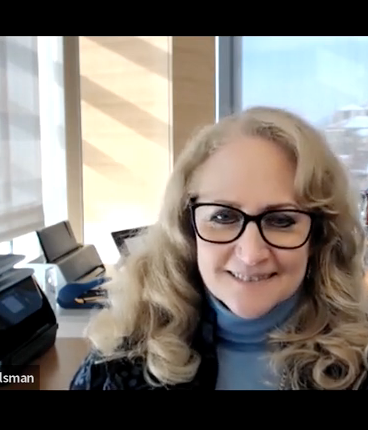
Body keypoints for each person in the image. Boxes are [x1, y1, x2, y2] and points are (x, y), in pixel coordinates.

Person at [70, 106, 368, 390]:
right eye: (223, 217)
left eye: (281, 220)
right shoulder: (117, 365)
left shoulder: (360, 364)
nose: (251, 255)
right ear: (187, 228)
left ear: (319, 236)